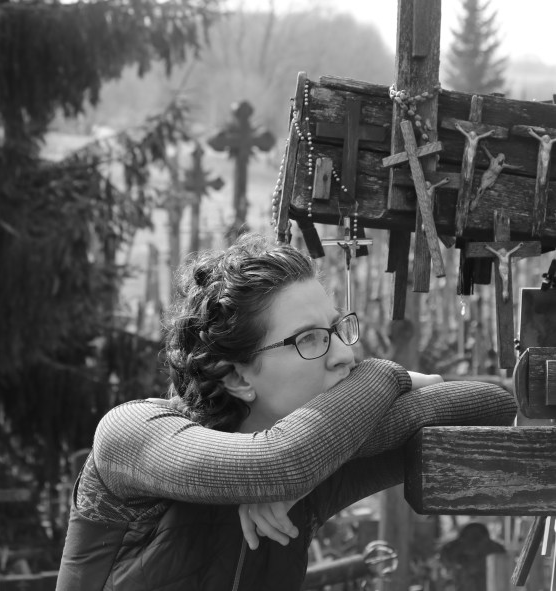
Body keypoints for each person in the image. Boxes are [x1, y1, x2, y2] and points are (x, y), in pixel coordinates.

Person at [56, 233, 516, 591]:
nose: (345, 356)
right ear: (236, 377)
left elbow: (493, 407)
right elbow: (279, 464)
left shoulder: (318, 468)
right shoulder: (132, 433)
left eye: (337, 329)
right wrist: (387, 375)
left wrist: (308, 467)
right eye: (310, 339)